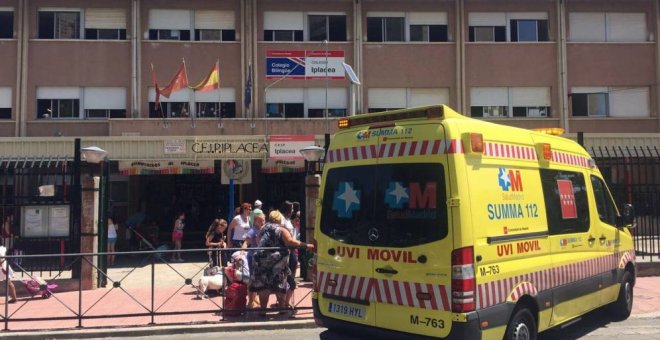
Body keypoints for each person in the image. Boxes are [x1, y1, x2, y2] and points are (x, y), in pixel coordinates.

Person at [249, 210, 313, 314]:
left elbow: (258, 241)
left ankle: (263, 310)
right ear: (279, 219)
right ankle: (281, 308)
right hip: (277, 261)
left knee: (263, 285)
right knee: (280, 283)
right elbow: (290, 242)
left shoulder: (263, 228)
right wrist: (307, 245)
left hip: (260, 259)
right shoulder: (281, 229)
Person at [242, 212, 266, 309]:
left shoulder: (265, 230)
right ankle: (250, 302)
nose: (262, 222)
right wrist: (241, 253)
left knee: (260, 279)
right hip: (253, 257)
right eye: (260, 220)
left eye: (263, 220)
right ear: (255, 221)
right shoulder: (253, 230)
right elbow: (246, 243)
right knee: (253, 279)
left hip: (262, 258)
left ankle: (255, 299)